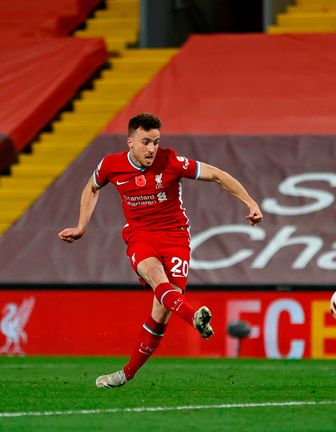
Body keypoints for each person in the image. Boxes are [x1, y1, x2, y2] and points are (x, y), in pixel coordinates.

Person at [58, 113, 263, 388]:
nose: (152, 149)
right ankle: (194, 317)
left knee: (162, 310)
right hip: (140, 236)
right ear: (130, 142)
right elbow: (91, 187)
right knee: (157, 279)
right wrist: (82, 225)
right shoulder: (111, 165)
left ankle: (127, 373)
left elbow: (217, 175)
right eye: (145, 142)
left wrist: (250, 202)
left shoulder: (171, 161)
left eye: (155, 141)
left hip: (176, 237)